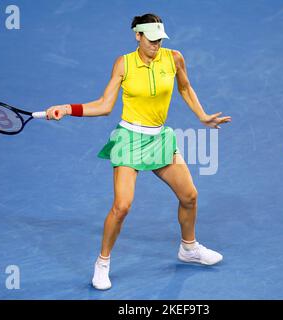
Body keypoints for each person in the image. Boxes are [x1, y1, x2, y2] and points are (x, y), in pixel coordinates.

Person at [46, 13, 232, 290]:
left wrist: (202, 116)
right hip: (130, 140)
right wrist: (67, 108)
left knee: (190, 196)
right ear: (138, 36)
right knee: (122, 207)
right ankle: (102, 263)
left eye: (160, 39)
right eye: (151, 39)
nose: (156, 44)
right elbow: (104, 105)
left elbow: (185, 87)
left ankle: (189, 248)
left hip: (159, 139)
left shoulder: (174, 58)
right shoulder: (124, 64)